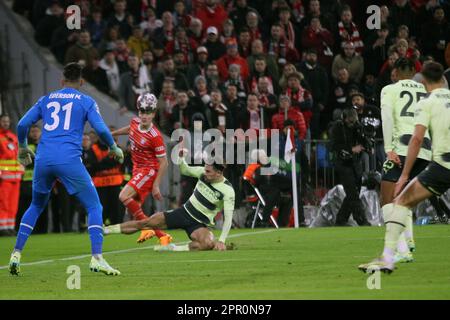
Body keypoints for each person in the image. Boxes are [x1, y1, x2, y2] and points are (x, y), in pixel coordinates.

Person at [9, 63, 124, 276]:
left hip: (43, 160)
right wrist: (114, 147)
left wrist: (23, 146)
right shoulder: (86, 101)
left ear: (61, 81)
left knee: (36, 205)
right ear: (81, 82)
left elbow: (22, 124)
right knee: (94, 207)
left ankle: (16, 253)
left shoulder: (46, 99)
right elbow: (99, 128)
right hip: (69, 160)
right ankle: (97, 257)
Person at [359, 62, 450, 273]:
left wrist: (390, 148)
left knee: (390, 199)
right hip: (429, 153)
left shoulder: (390, 89)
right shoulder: (430, 94)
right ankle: (407, 243)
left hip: (403, 147)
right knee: (405, 198)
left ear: (395, 74)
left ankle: (399, 250)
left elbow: (388, 116)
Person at [104, 151, 235, 252]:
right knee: (145, 223)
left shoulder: (228, 191)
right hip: (183, 213)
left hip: (199, 224)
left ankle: (172, 248)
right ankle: (107, 230)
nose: (205, 172)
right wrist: (181, 158)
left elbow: (228, 218)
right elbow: (185, 169)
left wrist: (222, 240)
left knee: (207, 243)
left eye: (208, 171)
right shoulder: (202, 173)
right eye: (205, 169)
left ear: (218, 173)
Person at [111, 93, 172, 245]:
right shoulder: (134, 122)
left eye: (148, 112)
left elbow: (164, 162)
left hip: (148, 171)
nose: (144, 116)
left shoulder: (155, 136)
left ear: (153, 114)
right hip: (137, 170)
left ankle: (149, 230)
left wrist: (156, 185)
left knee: (123, 196)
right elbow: (130, 129)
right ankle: (162, 236)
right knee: (135, 210)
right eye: (142, 112)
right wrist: (112, 133)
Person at [329, 108, 370, 226]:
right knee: (352, 192)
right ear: (344, 118)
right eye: (350, 120)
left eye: (354, 120)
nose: (352, 123)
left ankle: (341, 220)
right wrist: (351, 149)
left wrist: (366, 145)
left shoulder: (358, 127)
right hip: (342, 163)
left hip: (356, 163)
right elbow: (333, 146)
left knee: (353, 192)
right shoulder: (337, 128)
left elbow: (364, 140)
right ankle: (361, 220)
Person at [16, 125, 48, 234]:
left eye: (37, 131)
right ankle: (27, 230)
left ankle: (43, 230)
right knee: (27, 206)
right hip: (26, 181)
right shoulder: (26, 146)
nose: (35, 133)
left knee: (42, 206)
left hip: (42, 180)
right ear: (29, 134)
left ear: (40, 133)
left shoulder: (45, 145)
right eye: (33, 131)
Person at [0, 114, 22, 236]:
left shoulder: (13, 137)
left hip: (15, 177)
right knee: (3, 203)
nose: (6, 123)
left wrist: (21, 169)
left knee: (13, 204)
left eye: (7, 121)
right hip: (4, 177)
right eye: (3, 121)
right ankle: (2, 228)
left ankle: (10, 227)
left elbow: (19, 155)